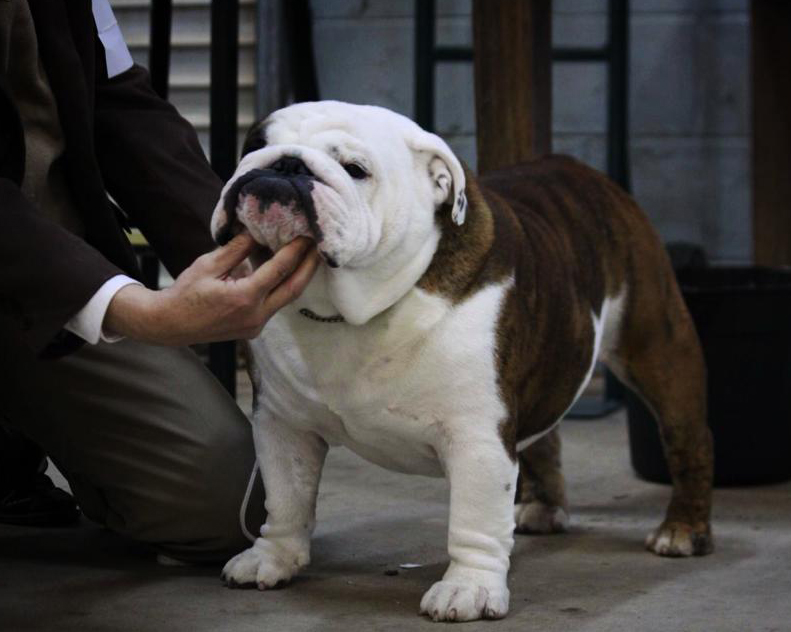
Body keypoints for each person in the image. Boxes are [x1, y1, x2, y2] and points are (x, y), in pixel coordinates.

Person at [0, 0, 318, 562]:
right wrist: (139, 313)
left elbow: (120, 102)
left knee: (239, 504)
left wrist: (236, 245)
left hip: (48, 276)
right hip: (34, 259)